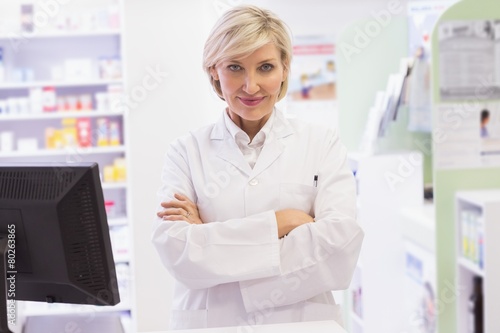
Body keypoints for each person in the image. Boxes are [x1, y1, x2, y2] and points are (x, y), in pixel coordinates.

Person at [152, 5, 364, 330]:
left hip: (302, 323)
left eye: (265, 67)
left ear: (284, 69)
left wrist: (210, 242)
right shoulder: (186, 152)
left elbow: (339, 250)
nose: (251, 86)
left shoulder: (321, 143)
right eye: (235, 68)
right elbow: (179, 254)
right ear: (214, 71)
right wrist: (284, 222)